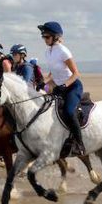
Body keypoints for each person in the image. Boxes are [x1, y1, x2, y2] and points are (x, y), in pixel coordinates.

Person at [39, 21, 85, 157]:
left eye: (46, 37)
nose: (44, 40)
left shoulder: (63, 51)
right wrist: (43, 82)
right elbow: (53, 72)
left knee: (69, 112)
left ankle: (80, 144)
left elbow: (76, 73)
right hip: (60, 88)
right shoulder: (48, 52)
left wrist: (64, 85)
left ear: (55, 37)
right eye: (43, 37)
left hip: (73, 87)